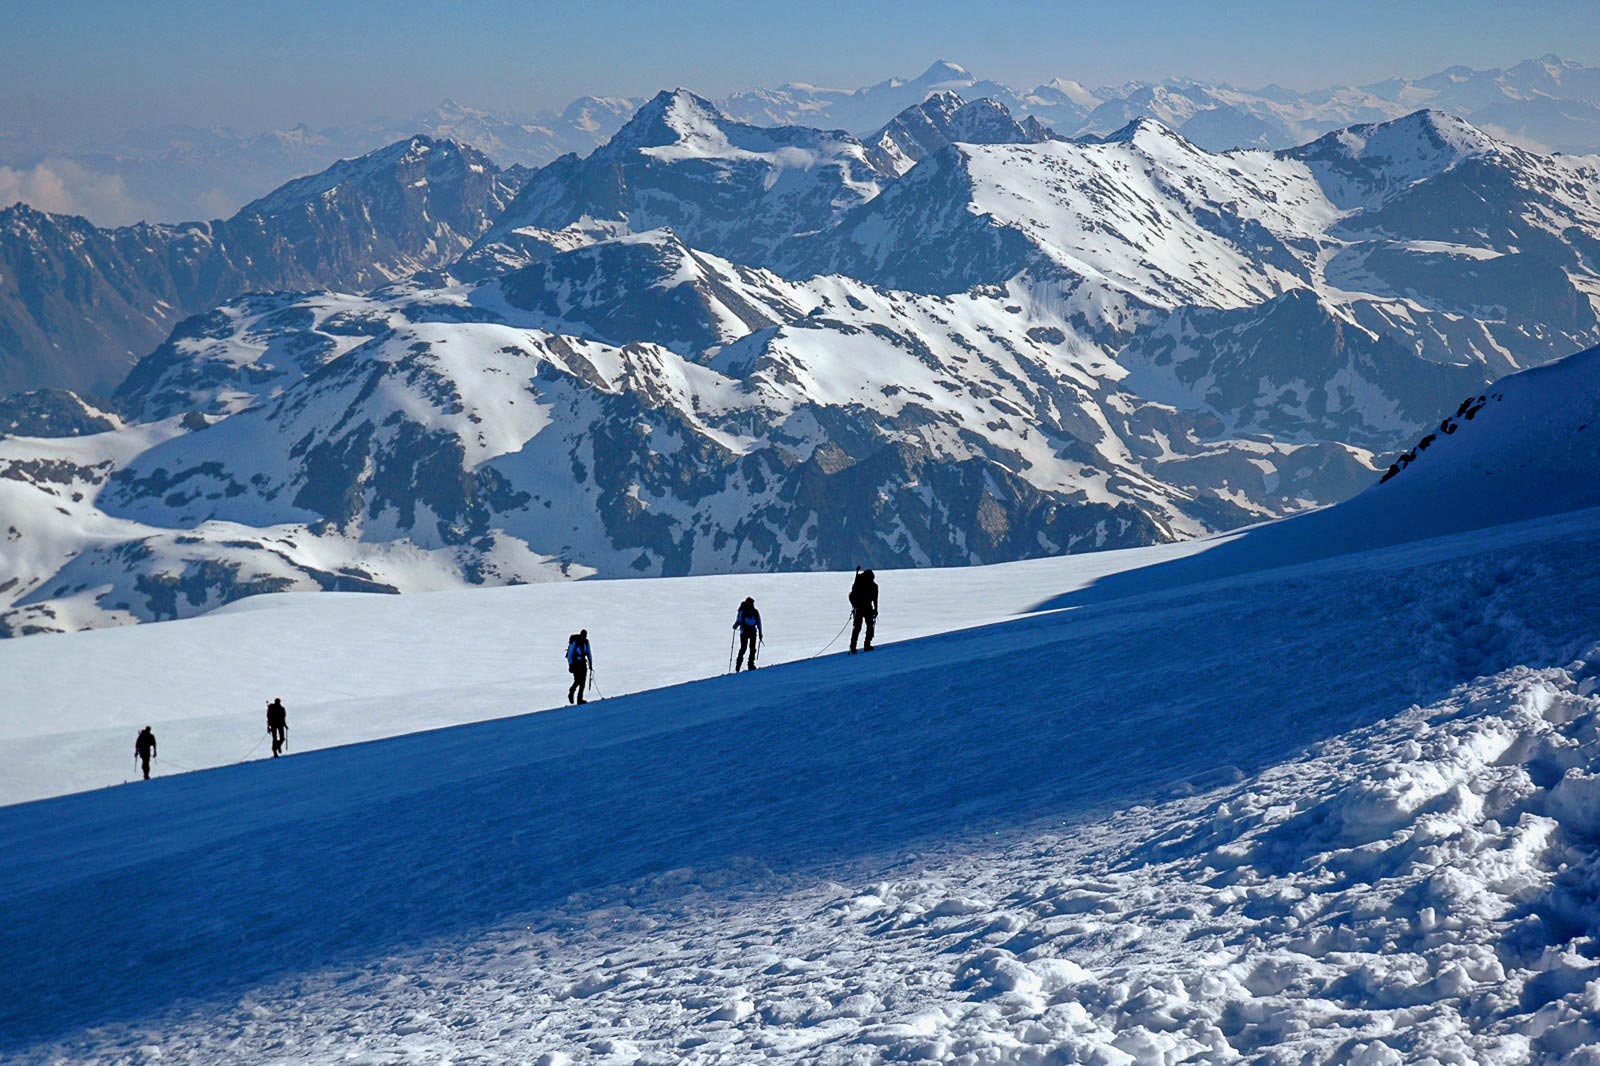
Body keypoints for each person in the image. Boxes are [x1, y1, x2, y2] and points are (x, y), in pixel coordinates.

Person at [849, 568, 878, 654]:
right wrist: (876, 609)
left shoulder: (859, 582)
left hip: (859, 607)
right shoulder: (874, 586)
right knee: (869, 626)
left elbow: (853, 593)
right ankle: (867, 645)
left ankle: (853, 647)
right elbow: (875, 599)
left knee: (857, 627)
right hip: (867, 608)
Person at [733, 596, 763, 671]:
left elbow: (739, 620)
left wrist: (735, 626)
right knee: (750, 648)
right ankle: (750, 665)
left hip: (744, 632)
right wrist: (760, 633)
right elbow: (759, 622)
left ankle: (738, 666)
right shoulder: (754, 612)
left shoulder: (743, 611)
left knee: (744, 648)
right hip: (751, 631)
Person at [566, 629, 594, 704]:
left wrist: (590, 664)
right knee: (578, 680)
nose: (583, 637)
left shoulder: (586, 642)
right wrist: (570, 664)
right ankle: (571, 692)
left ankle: (579, 699)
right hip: (576, 664)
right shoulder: (575, 642)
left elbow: (588, 653)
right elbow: (570, 654)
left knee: (583, 682)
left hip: (583, 664)